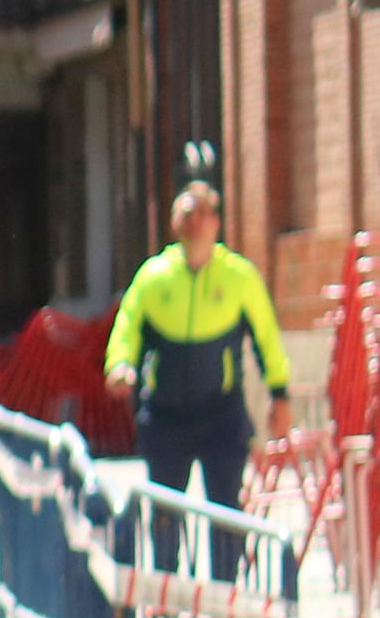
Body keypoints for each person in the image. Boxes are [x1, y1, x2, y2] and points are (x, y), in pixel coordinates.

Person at [102, 181, 292, 575]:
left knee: (226, 508)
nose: (196, 222)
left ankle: (225, 593)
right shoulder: (154, 278)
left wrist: (280, 393)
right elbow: (127, 326)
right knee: (166, 510)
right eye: (187, 213)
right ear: (174, 223)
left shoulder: (239, 277)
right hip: (166, 415)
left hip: (220, 415)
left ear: (217, 223)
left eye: (204, 213)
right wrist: (119, 364)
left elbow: (267, 338)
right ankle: (168, 596)